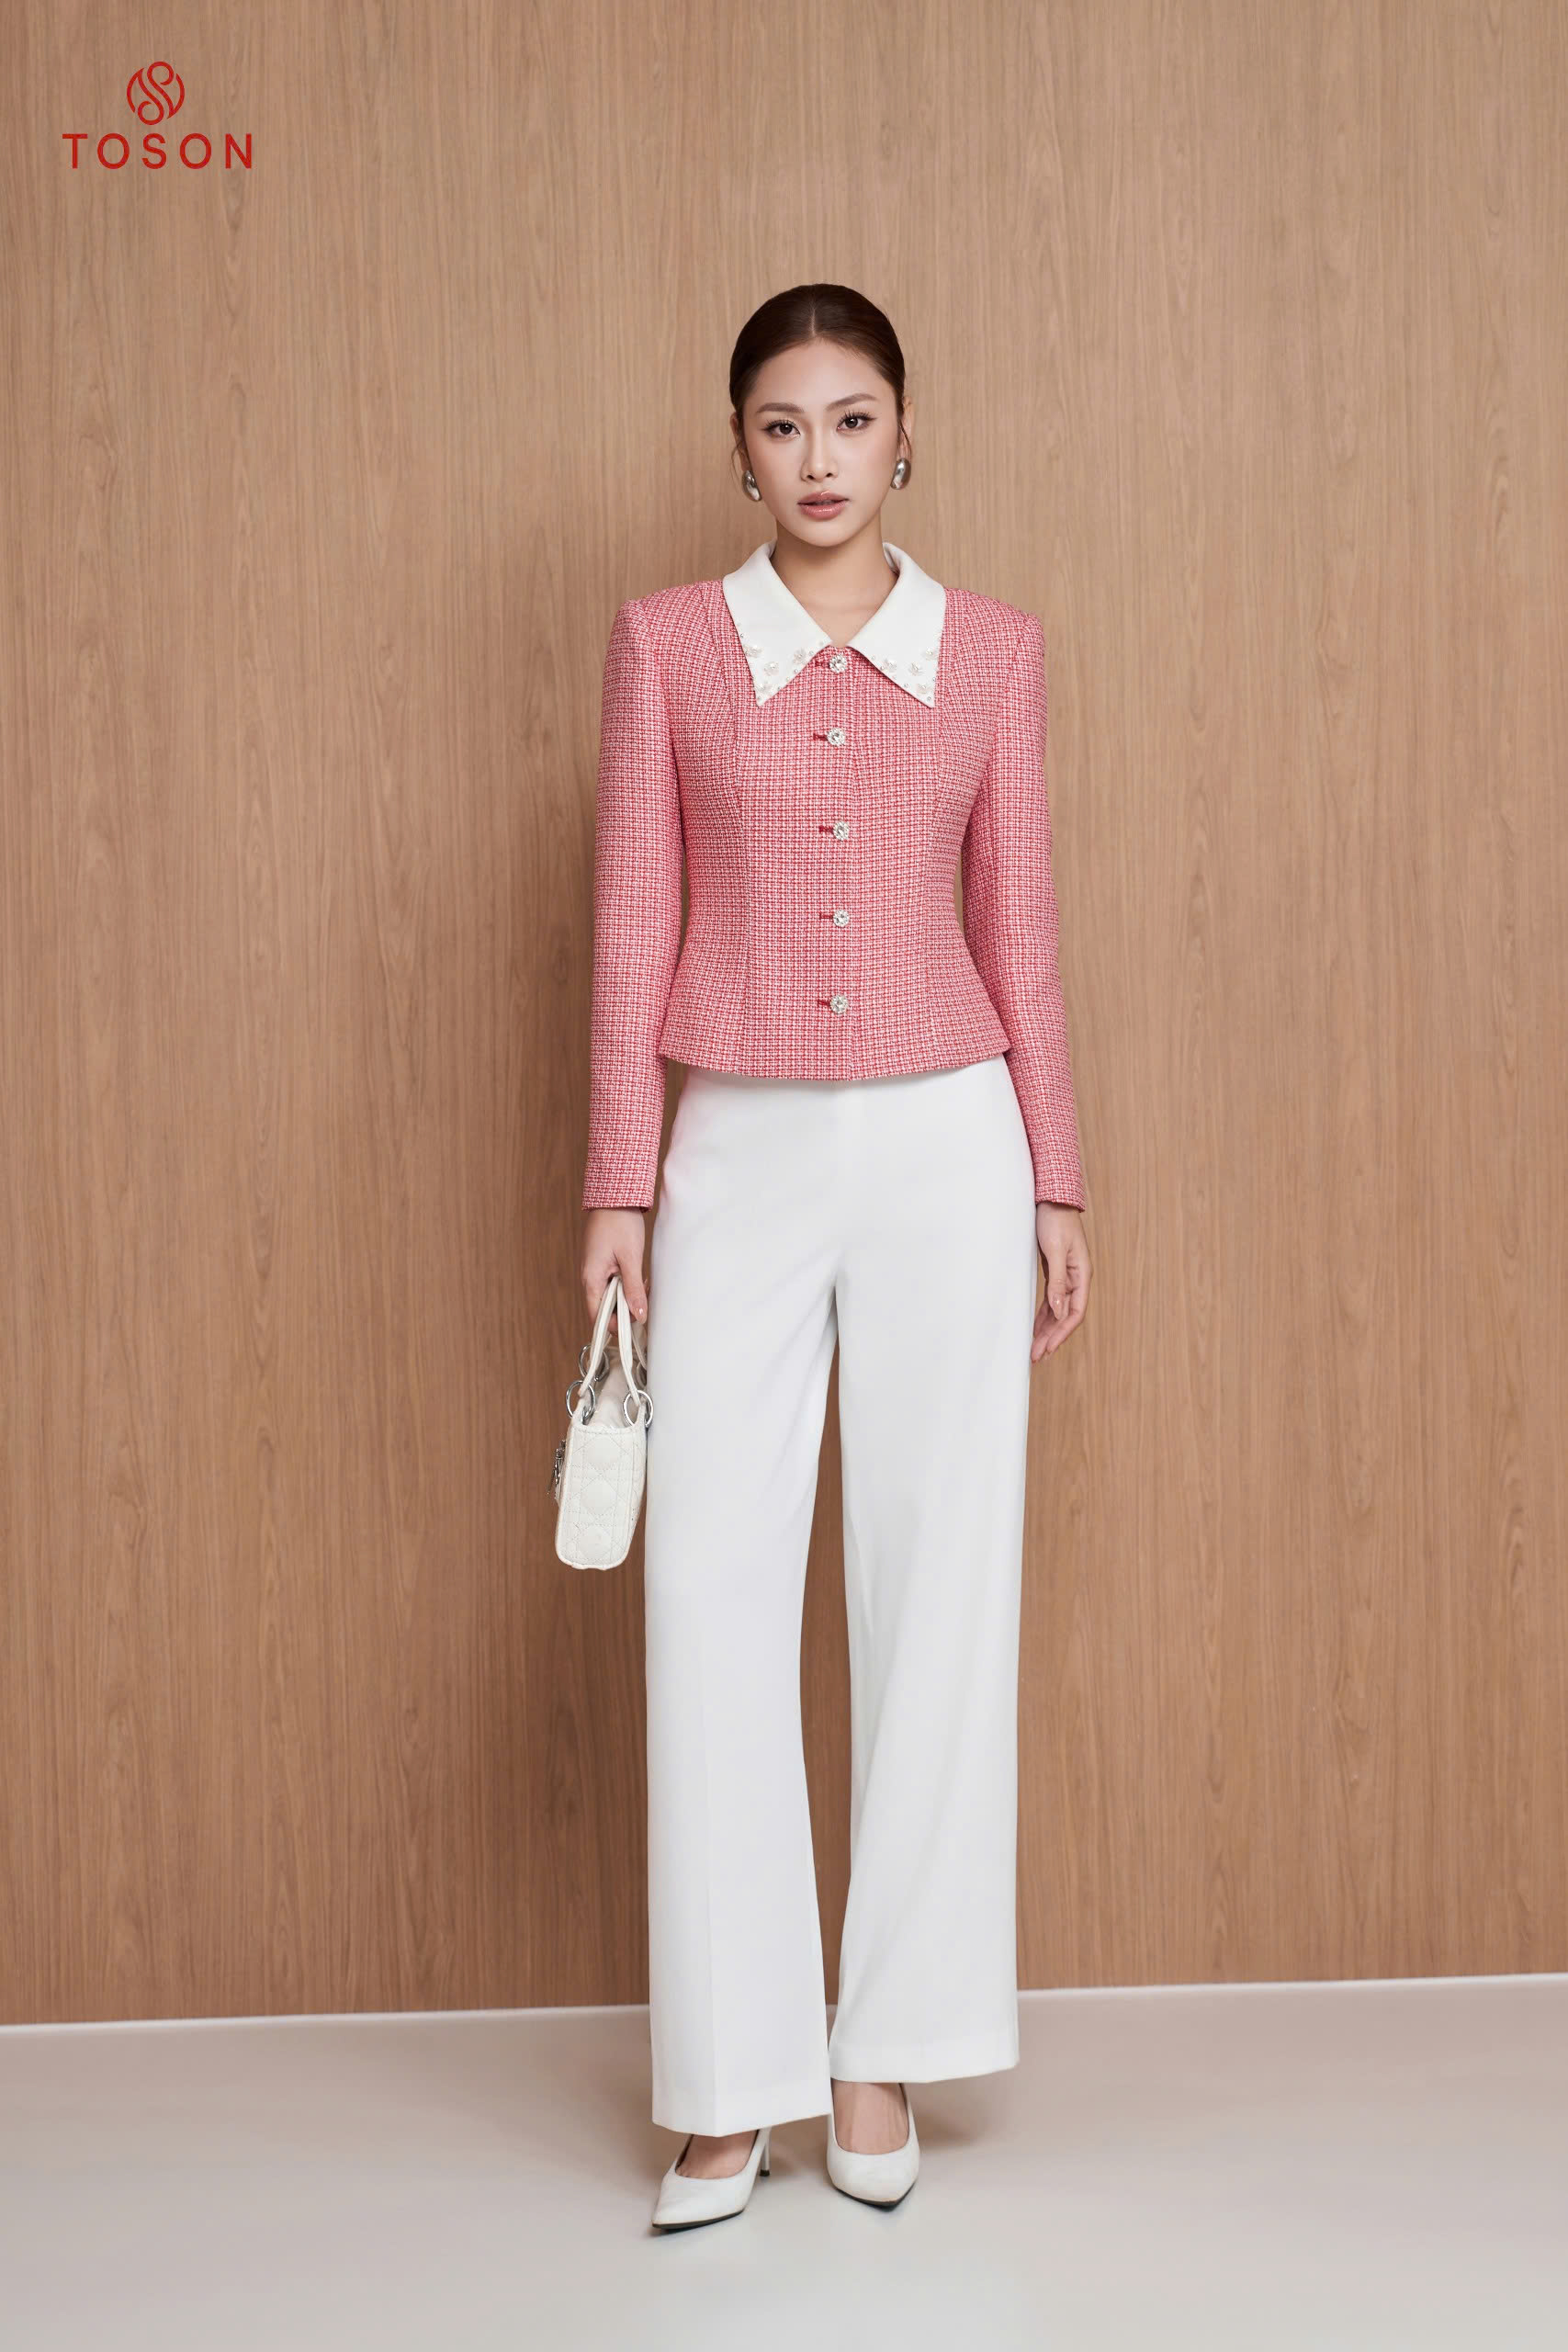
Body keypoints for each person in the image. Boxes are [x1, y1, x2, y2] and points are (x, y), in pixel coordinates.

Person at [579, 283, 1092, 2231]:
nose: (818, 457)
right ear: (739, 448)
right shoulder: (666, 647)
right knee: (712, 1584)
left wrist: (1057, 1179)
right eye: (782, 423)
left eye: (851, 418)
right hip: (737, 1150)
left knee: (939, 1579)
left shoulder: (993, 653)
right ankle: (732, 2083)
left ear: (905, 434)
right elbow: (631, 919)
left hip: (952, 1143)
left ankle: (880, 2049)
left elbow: (1020, 919)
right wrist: (617, 1186)